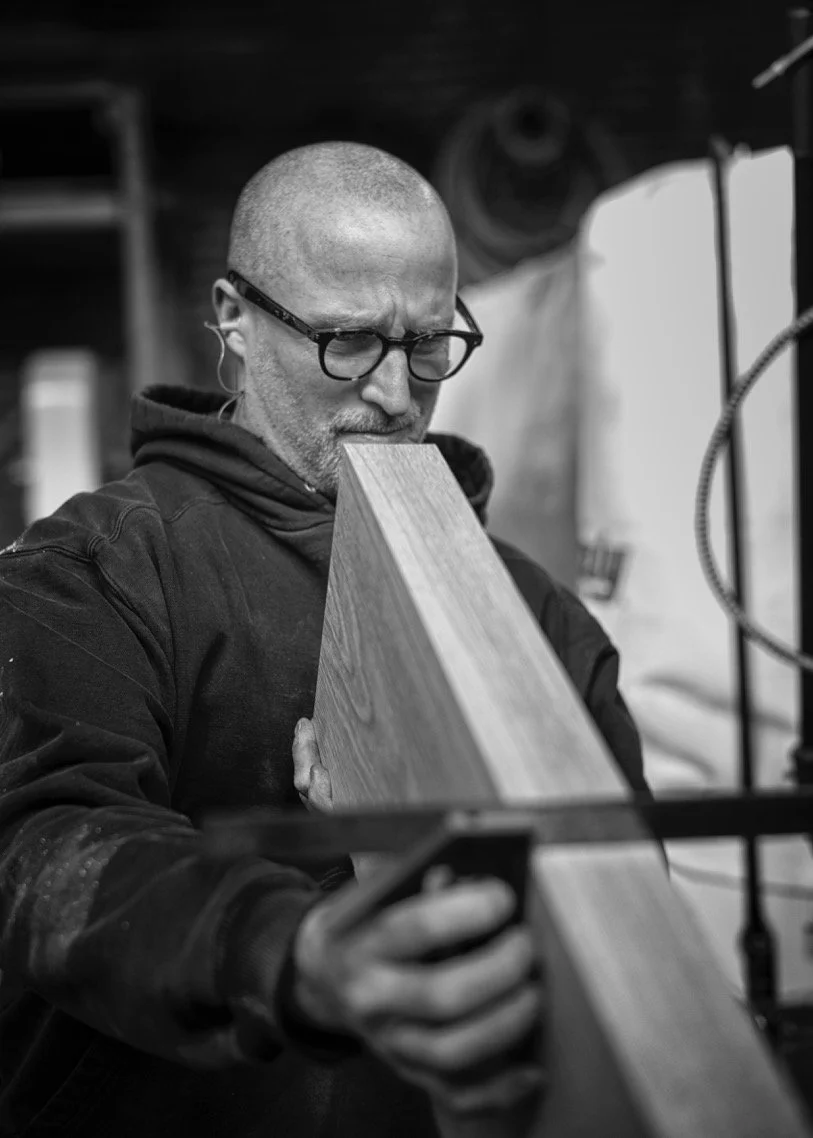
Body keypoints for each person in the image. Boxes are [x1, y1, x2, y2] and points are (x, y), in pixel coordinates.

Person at [0, 142, 646, 1138]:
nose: (394, 393)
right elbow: (43, 851)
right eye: (347, 342)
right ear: (234, 317)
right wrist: (293, 951)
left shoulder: (533, 612)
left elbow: (619, 925)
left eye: (427, 344)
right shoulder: (98, 568)